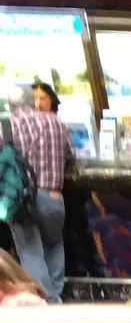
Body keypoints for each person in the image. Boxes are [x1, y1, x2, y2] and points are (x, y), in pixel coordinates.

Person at [10, 81, 75, 302]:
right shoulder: (55, 122)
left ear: (11, 106)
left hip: (23, 199)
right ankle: (55, 300)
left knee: (30, 252)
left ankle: (44, 304)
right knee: (54, 245)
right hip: (53, 197)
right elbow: (71, 155)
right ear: (32, 102)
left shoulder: (9, 125)